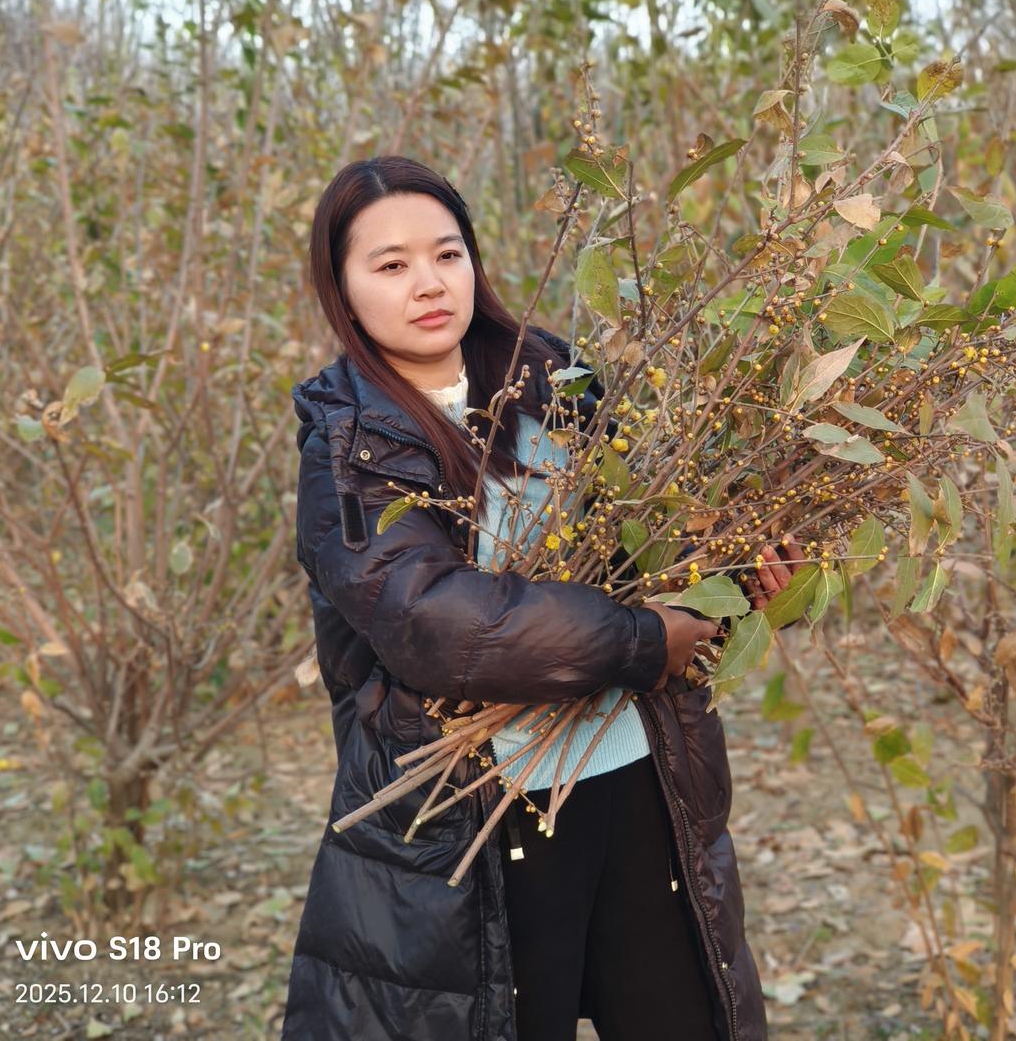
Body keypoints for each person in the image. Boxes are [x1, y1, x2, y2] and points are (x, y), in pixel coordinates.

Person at [281, 154, 804, 1041]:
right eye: (391, 264)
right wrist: (642, 640)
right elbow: (436, 624)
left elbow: (644, 534)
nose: (429, 284)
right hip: (485, 819)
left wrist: (734, 575)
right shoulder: (349, 444)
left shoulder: (553, 378)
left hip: (638, 778)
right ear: (344, 292)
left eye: (447, 254)